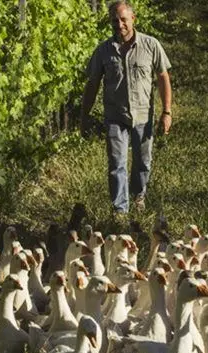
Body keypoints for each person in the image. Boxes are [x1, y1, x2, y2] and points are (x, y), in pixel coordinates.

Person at [80, 0, 172, 215]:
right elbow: (92, 84)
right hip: (115, 115)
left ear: (133, 19)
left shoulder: (151, 45)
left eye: (123, 19)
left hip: (143, 114)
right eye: (115, 20)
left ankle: (138, 196)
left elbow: (163, 77)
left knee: (143, 162)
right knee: (116, 163)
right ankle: (120, 210)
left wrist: (166, 111)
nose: (119, 24)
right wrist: (84, 115)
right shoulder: (103, 51)